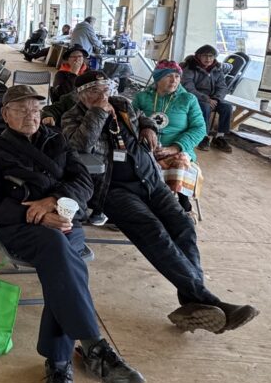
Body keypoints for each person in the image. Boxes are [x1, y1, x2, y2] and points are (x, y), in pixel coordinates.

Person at [0, 85, 145, 383]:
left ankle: (60, 366)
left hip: (64, 218)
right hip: (19, 226)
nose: (30, 116)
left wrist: (53, 201)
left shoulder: (56, 140)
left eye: (36, 110)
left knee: (61, 271)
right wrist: (36, 216)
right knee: (59, 254)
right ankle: (92, 348)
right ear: (5, 115)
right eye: (22, 110)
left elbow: (82, 182)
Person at [63, 71, 259, 334]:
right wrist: (97, 112)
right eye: (95, 91)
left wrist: (148, 126)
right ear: (82, 95)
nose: (104, 95)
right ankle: (209, 301)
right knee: (153, 231)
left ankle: (192, 304)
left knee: (184, 227)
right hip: (112, 189)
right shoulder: (72, 116)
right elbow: (80, 145)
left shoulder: (122, 104)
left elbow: (143, 116)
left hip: (150, 180)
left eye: (106, 89)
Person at [132, 61, 207, 211]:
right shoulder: (142, 97)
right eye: (169, 76)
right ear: (158, 78)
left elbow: (199, 128)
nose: (174, 81)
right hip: (145, 147)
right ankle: (138, 203)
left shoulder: (188, 99)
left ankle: (182, 203)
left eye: (177, 76)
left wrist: (174, 148)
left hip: (177, 150)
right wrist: (142, 133)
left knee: (180, 160)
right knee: (128, 160)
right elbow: (130, 120)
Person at [181, 45, 233, 152]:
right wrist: (206, 98)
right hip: (196, 97)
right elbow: (188, 87)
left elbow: (222, 87)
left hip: (214, 98)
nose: (208, 59)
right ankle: (202, 136)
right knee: (205, 107)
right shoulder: (190, 68)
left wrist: (217, 99)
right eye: (205, 56)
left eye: (211, 56)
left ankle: (219, 137)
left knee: (227, 107)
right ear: (198, 56)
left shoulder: (217, 69)